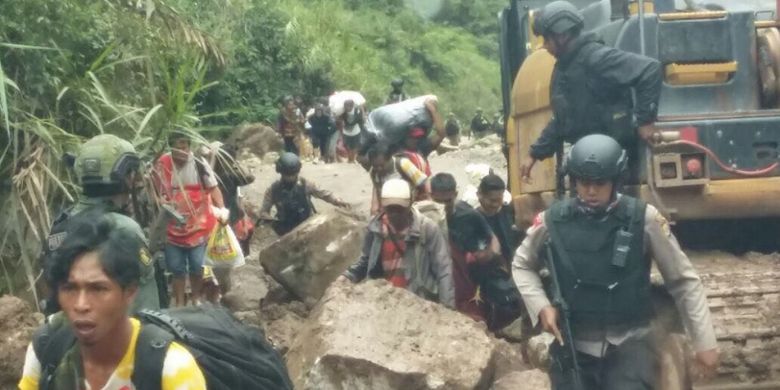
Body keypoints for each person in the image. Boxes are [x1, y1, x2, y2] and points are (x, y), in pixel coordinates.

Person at [512, 134, 719, 390]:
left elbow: (684, 281)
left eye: (600, 183)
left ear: (615, 180)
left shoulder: (644, 219)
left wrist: (705, 342)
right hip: (574, 346)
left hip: (632, 343)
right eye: (584, 182)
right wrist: (541, 306)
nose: (591, 190)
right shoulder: (550, 221)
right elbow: (521, 264)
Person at [19, 211, 206, 390]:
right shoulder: (46, 350)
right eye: (70, 288)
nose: (81, 305)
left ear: (129, 292)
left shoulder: (170, 369)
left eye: (98, 289)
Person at [519, 0, 662, 182]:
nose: (545, 46)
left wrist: (646, 121)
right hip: (589, 161)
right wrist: (534, 154)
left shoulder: (596, 57)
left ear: (562, 36)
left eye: (547, 39)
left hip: (612, 164)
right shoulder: (567, 67)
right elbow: (563, 119)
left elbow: (649, 69)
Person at [43, 134, 160, 314]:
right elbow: (146, 306)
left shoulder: (61, 224)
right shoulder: (125, 229)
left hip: (66, 333)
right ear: (126, 175)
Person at [341, 179, 455, 308]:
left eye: (399, 209)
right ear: (383, 205)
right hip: (386, 302)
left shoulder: (427, 229)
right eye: (390, 209)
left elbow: (443, 270)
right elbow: (366, 260)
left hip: (418, 302)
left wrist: (447, 308)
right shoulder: (376, 228)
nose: (395, 214)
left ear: (410, 203)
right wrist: (347, 277)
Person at [154, 133, 229, 307]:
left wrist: (223, 209)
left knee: (197, 265)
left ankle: (196, 297)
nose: (182, 151)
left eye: (185, 147)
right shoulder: (161, 165)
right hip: (172, 227)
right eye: (178, 148)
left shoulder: (199, 165)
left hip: (199, 227)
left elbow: (213, 188)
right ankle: (180, 301)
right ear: (170, 148)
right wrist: (161, 201)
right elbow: (155, 193)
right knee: (176, 267)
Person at [430, 173, 507, 327]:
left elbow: (493, 240)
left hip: (464, 279)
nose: (443, 206)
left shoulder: (468, 214)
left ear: (455, 195)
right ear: (430, 196)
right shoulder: (425, 215)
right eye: (438, 201)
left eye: (448, 201)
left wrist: (487, 255)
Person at [259, 152, 350, 236]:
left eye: (293, 174)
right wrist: (272, 222)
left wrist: (337, 200)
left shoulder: (305, 184)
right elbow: (263, 212)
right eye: (288, 175)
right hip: (286, 230)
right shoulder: (273, 190)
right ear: (281, 172)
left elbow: (323, 193)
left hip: (308, 225)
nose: (290, 177)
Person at [366, 142, 429, 215]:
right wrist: (374, 207)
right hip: (389, 206)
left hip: (409, 204)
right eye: (375, 166)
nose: (379, 169)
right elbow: (377, 188)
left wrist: (429, 201)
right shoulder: (374, 172)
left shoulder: (403, 164)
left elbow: (424, 181)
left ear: (389, 159)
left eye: (382, 165)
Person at [476, 174, 522, 267]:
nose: (495, 204)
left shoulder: (511, 213)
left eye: (499, 199)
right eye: (492, 200)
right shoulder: (474, 220)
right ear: (480, 195)